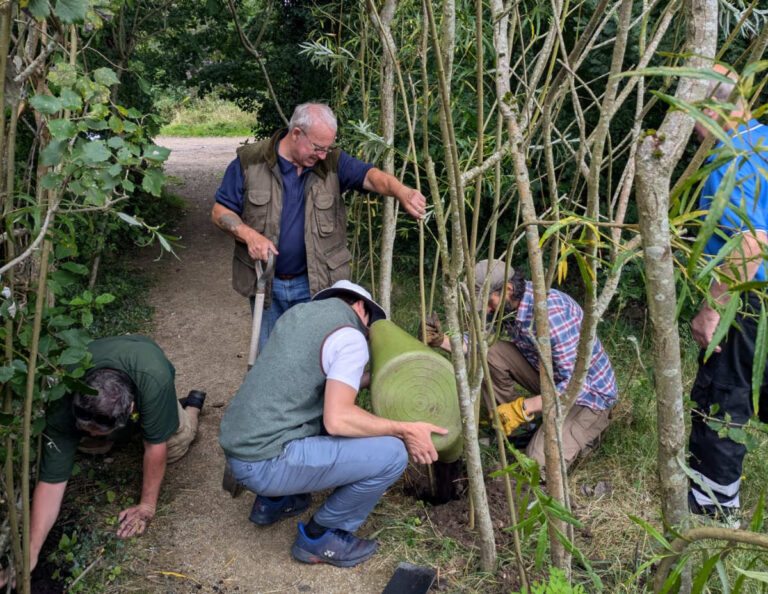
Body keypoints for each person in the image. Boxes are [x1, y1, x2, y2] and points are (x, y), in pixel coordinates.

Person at [219, 280, 447, 567]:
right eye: (371, 328)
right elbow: (338, 420)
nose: (368, 335)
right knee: (392, 454)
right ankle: (322, 535)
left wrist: (374, 380)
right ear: (362, 308)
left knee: (312, 413)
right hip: (266, 462)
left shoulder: (299, 316)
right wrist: (404, 428)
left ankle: (273, 502)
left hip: (243, 447)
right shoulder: (350, 336)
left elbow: (315, 381)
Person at [212, 102, 427, 349]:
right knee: (271, 359)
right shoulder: (249, 162)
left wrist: (401, 191)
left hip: (315, 284)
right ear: (296, 134)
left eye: (328, 148)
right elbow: (220, 211)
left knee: (315, 358)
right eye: (317, 147)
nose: (323, 155)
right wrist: (249, 235)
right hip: (267, 283)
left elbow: (371, 177)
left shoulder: (331, 162)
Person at [0, 335, 205, 587]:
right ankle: (117, 431)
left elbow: (155, 448)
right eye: (85, 428)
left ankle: (191, 410)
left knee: (175, 445)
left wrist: (146, 506)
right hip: (115, 385)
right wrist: (30, 551)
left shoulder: (154, 380)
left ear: (130, 408)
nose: (89, 434)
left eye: (98, 430)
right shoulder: (62, 391)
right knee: (91, 446)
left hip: (147, 372)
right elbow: (52, 480)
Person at [422, 259, 618, 469]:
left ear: (507, 289)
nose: (486, 310)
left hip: (587, 397)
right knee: (490, 352)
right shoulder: (508, 307)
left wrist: (522, 408)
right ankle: (521, 431)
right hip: (550, 378)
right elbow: (479, 342)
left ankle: (587, 434)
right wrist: (440, 340)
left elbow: (573, 385)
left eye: (487, 302)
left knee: (538, 463)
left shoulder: (551, 314)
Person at [687, 66, 768, 520]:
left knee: (724, 395)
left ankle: (712, 503)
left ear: (712, 108)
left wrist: (712, 310)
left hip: (747, 296)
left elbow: (751, 239)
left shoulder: (733, 154)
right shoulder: (764, 139)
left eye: (692, 113)